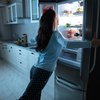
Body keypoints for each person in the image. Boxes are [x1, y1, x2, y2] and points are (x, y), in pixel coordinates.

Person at [18, 9, 68, 100]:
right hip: (43, 72)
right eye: (56, 17)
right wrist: (90, 43)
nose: (58, 19)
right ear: (53, 20)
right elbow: (67, 44)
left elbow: (31, 40)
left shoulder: (42, 34)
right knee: (26, 97)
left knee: (35, 95)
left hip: (34, 69)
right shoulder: (56, 34)